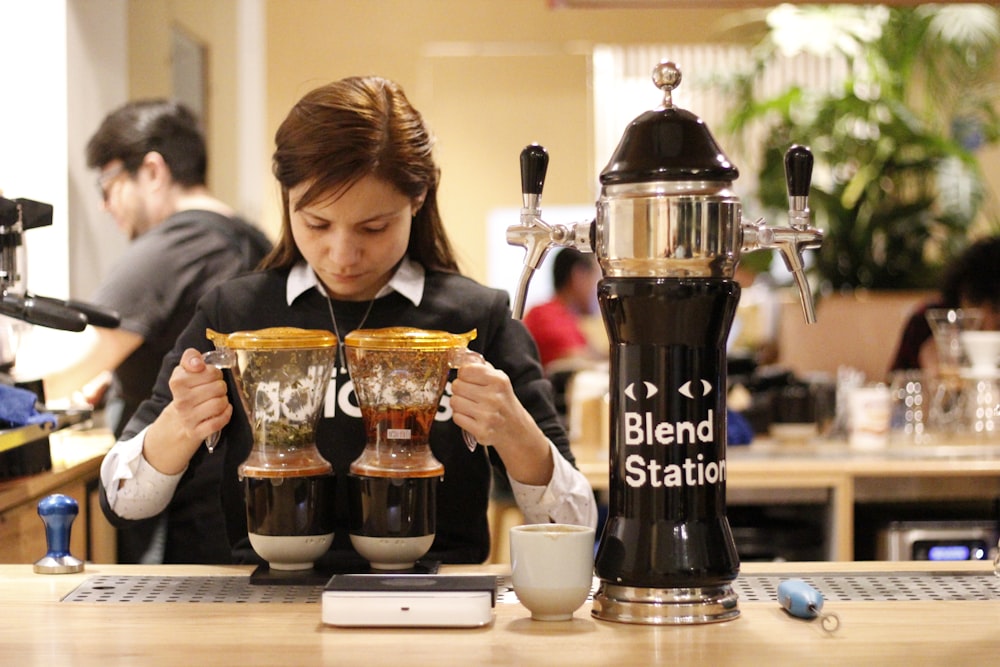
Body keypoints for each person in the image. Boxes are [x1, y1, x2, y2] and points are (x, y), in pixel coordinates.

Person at [98, 76, 597, 566]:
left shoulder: (474, 318)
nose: (342, 254)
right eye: (316, 223)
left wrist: (513, 431)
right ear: (287, 198)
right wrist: (178, 426)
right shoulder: (236, 316)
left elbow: (575, 523)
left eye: (373, 227)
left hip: (437, 609)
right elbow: (123, 501)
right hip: (266, 613)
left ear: (418, 199)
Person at [39, 100, 272, 563]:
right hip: (251, 497)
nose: (105, 205)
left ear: (151, 171)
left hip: (180, 499)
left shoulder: (174, 245)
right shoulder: (251, 239)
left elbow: (75, 362)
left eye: (108, 185)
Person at [890, 236, 1000, 373]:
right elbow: (897, 383)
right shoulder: (927, 324)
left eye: (996, 309)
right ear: (960, 295)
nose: (987, 332)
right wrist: (928, 377)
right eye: (976, 300)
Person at [522, 247, 604, 371]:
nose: (600, 290)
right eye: (597, 279)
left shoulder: (568, 318)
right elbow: (577, 359)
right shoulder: (544, 315)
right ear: (578, 276)